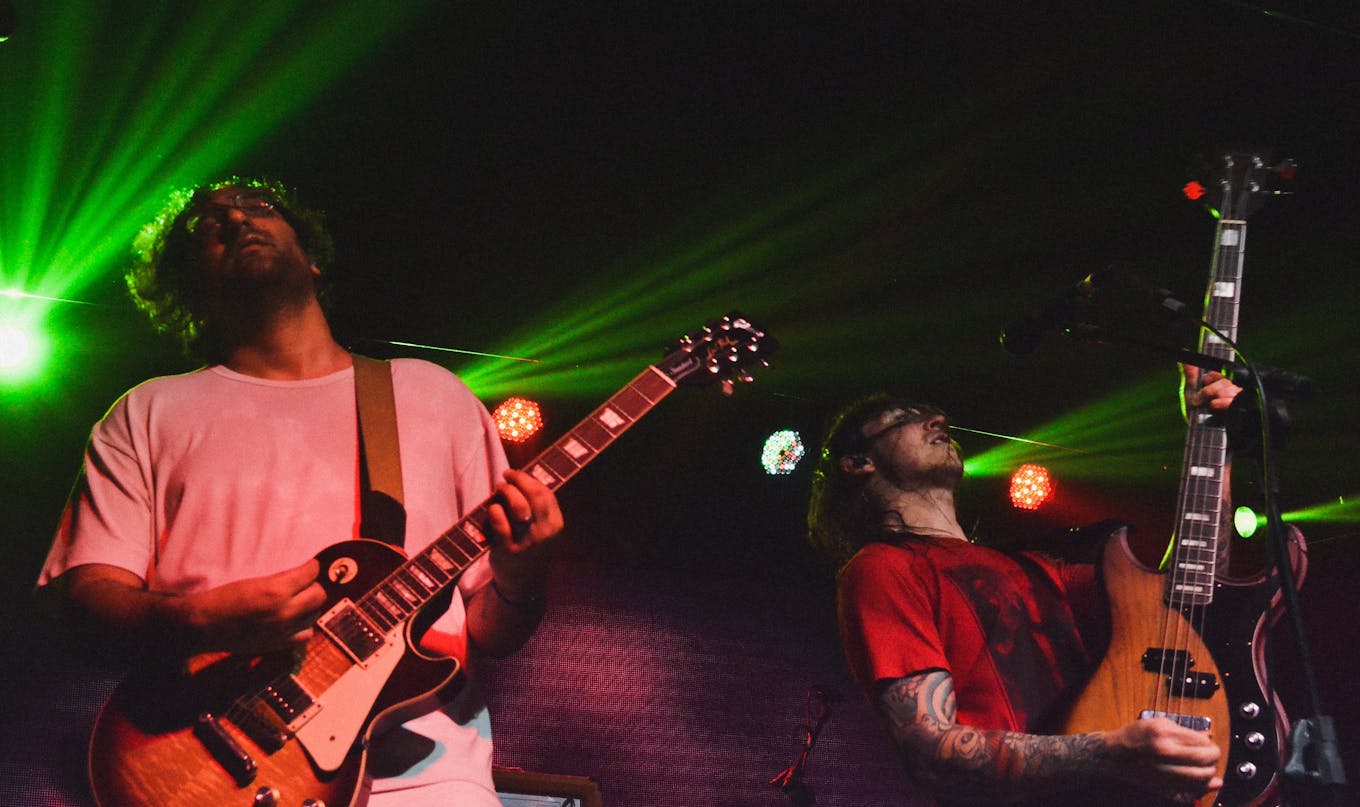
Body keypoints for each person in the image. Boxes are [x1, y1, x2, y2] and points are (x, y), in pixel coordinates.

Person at [35, 177, 564, 807]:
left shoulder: (432, 395)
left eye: (257, 206)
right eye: (206, 226)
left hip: (428, 777)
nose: (234, 219)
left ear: (312, 256)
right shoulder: (145, 412)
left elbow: (492, 633)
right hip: (205, 772)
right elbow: (86, 606)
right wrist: (201, 619)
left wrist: (522, 575)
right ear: (186, 289)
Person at [807, 369, 1242, 805]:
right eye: (904, 417)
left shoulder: (1038, 570)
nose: (938, 419)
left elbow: (1185, 600)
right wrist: (1109, 753)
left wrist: (1213, 443)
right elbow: (930, 752)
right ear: (859, 462)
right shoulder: (883, 568)